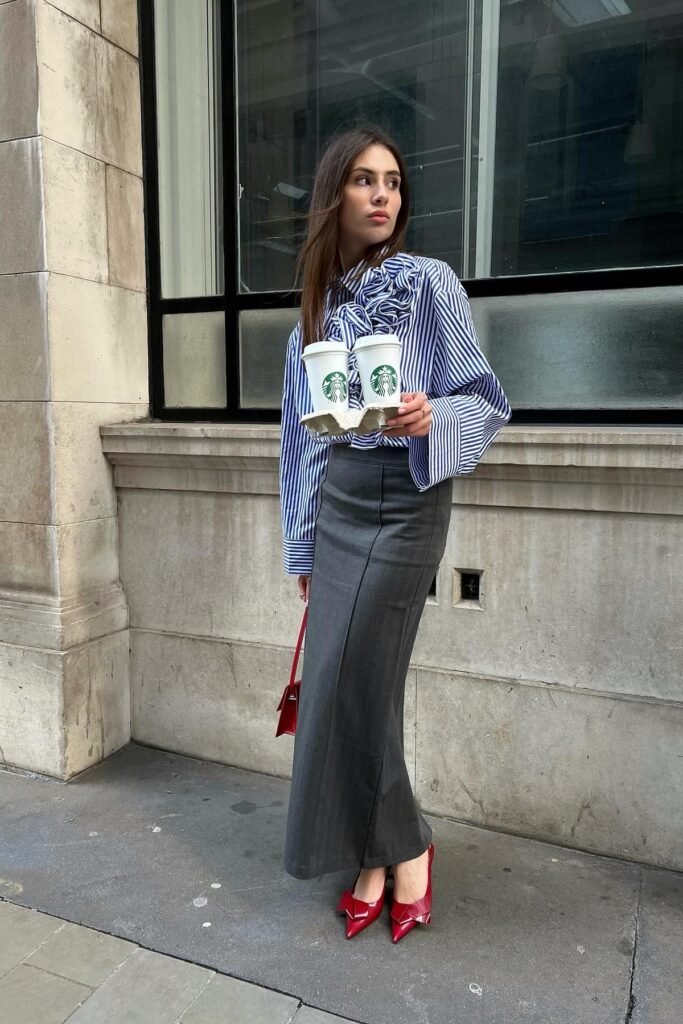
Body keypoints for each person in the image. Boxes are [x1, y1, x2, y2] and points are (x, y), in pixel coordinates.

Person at [278, 125, 511, 944]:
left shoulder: (428, 284)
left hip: (409, 498)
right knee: (345, 686)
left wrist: (430, 414)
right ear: (332, 194)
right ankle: (383, 853)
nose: (382, 195)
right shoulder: (313, 312)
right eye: (363, 180)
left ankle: (401, 848)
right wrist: (303, 544)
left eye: (393, 182)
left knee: (361, 679)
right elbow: (301, 440)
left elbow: (485, 400)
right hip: (339, 502)